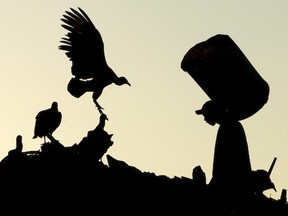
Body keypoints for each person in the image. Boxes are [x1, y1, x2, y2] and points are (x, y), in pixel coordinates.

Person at [195, 100, 252, 194]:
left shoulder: (228, 127)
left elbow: (223, 161)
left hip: (231, 185)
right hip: (235, 183)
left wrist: (214, 185)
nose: (205, 119)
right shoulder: (231, 124)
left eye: (205, 115)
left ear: (212, 112)